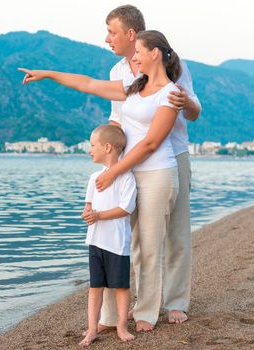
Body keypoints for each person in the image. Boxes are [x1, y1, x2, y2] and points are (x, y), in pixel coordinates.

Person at [18, 29, 188, 332]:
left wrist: (113, 170)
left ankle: (146, 312)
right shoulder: (136, 87)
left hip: (157, 175)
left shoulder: (170, 93)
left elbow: (150, 143)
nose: (133, 57)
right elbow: (89, 84)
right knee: (120, 243)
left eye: (138, 52)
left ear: (155, 54)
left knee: (148, 246)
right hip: (130, 173)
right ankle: (111, 317)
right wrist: (47, 74)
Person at [101, 4, 201, 331]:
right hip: (134, 162)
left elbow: (194, 109)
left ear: (131, 35)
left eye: (112, 32)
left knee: (175, 235)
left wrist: (184, 101)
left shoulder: (172, 63)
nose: (107, 39)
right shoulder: (118, 72)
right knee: (140, 238)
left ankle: (175, 303)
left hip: (173, 157)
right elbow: (118, 118)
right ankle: (146, 302)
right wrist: (108, 152)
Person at [79, 124, 137, 347]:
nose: (90, 149)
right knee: (95, 287)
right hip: (95, 241)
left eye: (93, 145)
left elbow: (126, 209)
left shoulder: (126, 178)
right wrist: (88, 213)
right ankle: (92, 328)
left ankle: (121, 325)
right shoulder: (94, 177)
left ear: (108, 147)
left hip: (117, 243)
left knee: (121, 287)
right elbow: (88, 206)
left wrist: (99, 215)